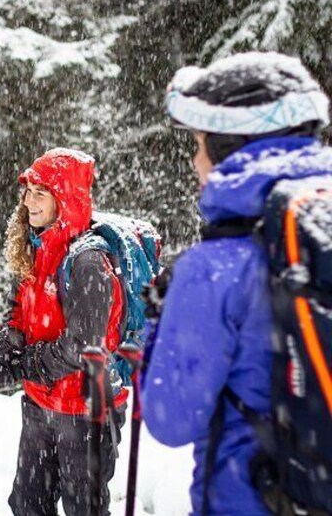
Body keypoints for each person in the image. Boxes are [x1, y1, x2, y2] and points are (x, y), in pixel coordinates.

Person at [141, 51, 331, 514]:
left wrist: (156, 326)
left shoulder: (214, 267)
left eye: (201, 144)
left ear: (233, 147)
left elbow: (171, 418)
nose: (195, 162)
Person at [0, 148, 127, 516]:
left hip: (84, 414)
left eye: (40, 193)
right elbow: (21, 314)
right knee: (27, 505)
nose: (28, 202)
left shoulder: (88, 262)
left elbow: (82, 347)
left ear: (65, 199)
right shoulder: (37, 248)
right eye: (27, 191)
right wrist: (3, 351)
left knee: (82, 509)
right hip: (41, 405)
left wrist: (22, 365)